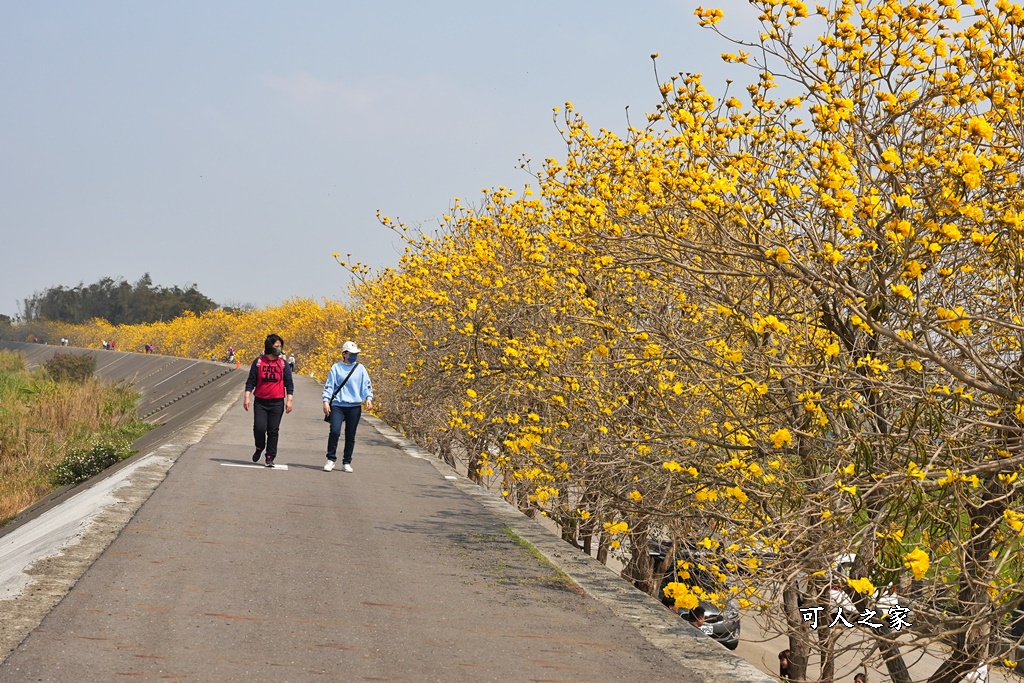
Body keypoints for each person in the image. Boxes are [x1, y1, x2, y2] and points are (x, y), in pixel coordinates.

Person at [322, 340, 373, 472]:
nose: (354, 356)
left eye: (356, 354)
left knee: (350, 434)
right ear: (344, 354)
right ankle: (331, 459)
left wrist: (368, 398)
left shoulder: (360, 369)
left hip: (354, 407)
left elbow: (366, 385)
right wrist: (326, 401)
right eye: (352, 353)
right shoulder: (336, 368)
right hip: (338, 405)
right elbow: (329, 386)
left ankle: (347, 461)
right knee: (335, 431)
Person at [243, 334, 294, 467]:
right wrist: (247, 397)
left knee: (273, 430)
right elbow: (251, 381)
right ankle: (259, 447)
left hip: (277, 402)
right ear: (269, 346)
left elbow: (289, 383)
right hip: (261, 401)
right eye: (276, 346)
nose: (279, 348)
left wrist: (289, 400)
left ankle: (270, 457)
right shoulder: (259, 362)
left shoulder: (283, 364)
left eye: (280, 346)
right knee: (259, 428)